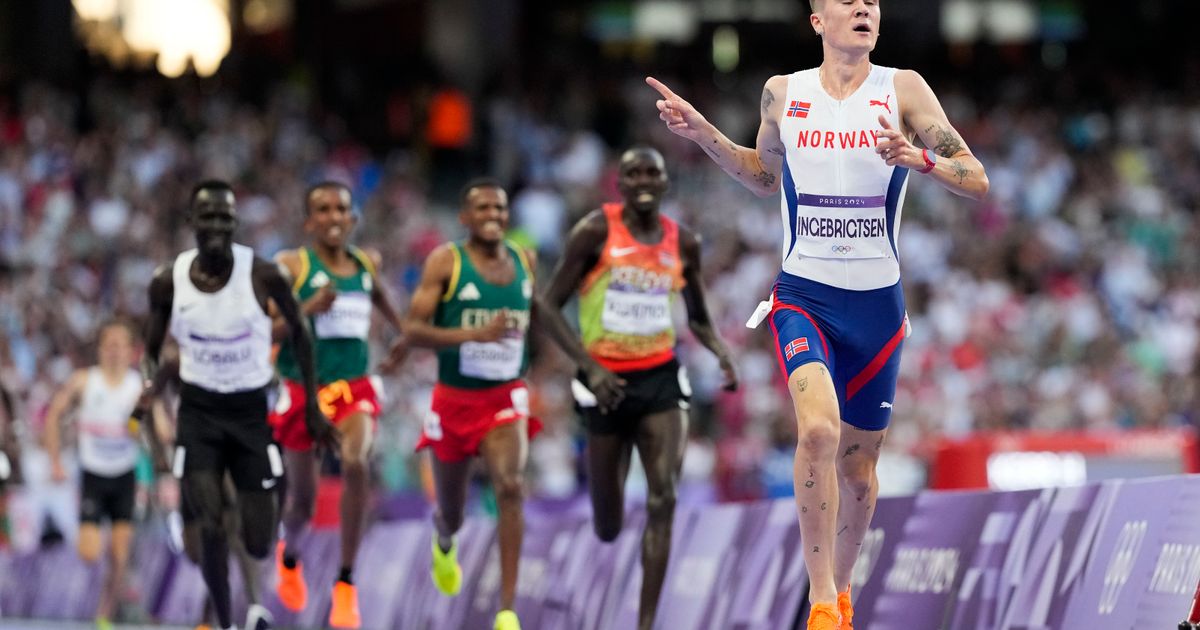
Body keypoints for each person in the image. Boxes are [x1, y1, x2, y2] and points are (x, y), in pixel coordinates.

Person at [647, 1, 989, 627]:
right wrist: (705, 136)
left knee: (859, 470)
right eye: (848, 0)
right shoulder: (783, 93)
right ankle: (821, 598)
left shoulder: (903, 87)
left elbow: (976, 176)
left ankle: (845, 588)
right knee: (819, 433)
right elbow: (762, 176)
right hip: (804, 295)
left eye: (872, 2)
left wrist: (922, 159)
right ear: (817, 21)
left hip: (878, 309)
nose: (864, 8)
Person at [406, 178, 622, 630]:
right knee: (453, 512)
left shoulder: (523, 260)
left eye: (500, 208)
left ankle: (506, 610)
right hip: (453, 401)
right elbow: (414, 330)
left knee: (509, 485)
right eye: (482, 207)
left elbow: (541, 314)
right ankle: (444, 541)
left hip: (505, 396)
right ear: (464, 217)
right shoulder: (446, 262)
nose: (492, 215)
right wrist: (474, 335)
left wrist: (585, 362)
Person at [540, 146, 738, 630]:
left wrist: (721, 351)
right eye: (634, 173)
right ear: (620, 183)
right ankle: (608, 526)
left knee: (663, 497)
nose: (645, 180)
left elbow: (698, 318)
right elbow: (545, 305)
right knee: (608, 525)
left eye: (654, 172)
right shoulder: (595, 231)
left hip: (660, 379)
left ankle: (646, 623)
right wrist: (589, 366)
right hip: (604, 381)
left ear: (667, 182)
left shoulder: (682, 242)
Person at [139, 180, 336, 630]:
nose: (215, 226)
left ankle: (265, 548)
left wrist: (312, 407)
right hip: (199, 413)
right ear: (191, 222)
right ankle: (227, 621)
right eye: (206, 216)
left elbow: (301, 333)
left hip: (250, 414)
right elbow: (151, 349)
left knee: (260, 539)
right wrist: (152, 391)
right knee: (209, 523)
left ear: (235, 223)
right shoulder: (167, 280)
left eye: (224, 218)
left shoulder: (264, 275)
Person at [270, 181, 407, 629]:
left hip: (353, 389)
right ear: (309, 221)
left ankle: (346, 582)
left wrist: (404, 341)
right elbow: (266, 331)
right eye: (323, 209)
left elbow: (388, 307)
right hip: (303, 393)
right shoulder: (291, 265)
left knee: (355, 461)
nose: (333, 217)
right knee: (302, 503)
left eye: (341, 209)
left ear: (351, 219)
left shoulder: (367, 264)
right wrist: (307, 307)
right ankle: (289, 555)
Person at [42, 320, 143, 630]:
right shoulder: (84, 381)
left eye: (120, 344)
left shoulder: (138, 386)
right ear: (100, 349)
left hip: (124, 476)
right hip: (93, 476)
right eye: (109, 344)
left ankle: (104, 614)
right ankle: (106, 585)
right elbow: (54, 414)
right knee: (90, 552)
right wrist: (55, 461)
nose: (114, 351)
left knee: (119, 554)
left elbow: (160, 427)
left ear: (130, 350)